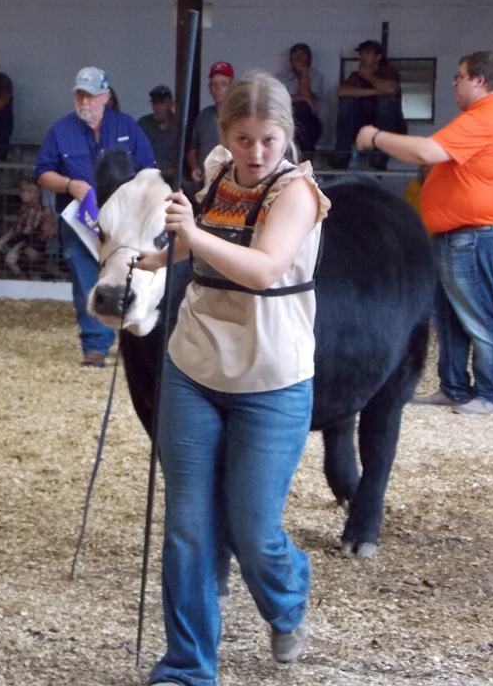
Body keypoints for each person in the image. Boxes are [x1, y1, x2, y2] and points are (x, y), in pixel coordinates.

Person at [135, 70, 330, 684]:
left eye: (269, 139)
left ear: (286, 135)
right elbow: (201, 238)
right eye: (243, 139)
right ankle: (187, 668)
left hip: (271, 380)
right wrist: (161, 256)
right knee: (188, 526)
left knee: (252, 527)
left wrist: (191, 233)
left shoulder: (297, 192)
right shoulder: (220, 171)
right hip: (194, 365)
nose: (256, 152)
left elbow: (266, 267)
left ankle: (287, 597)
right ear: (224, 135)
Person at [356, 50, 493, 415]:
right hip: (461, 234)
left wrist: (376, 136)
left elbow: (427, 151)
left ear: (479, 80)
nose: (454, 82)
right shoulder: (486, 117)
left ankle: (491, 393)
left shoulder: (484, 117)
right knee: (451, 316)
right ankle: (454, 387)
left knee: (479, 315)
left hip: (474, 234)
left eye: (460, 76)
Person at [34, 66, 156, 367]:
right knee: (85, 278)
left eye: (90, 95)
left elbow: (149, 170)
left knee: (130, 275)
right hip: (79, 222)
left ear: (105, 96)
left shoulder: (126, 126)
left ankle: (134, 342)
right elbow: (42, 172)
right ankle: (95, 346)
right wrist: (69, 185)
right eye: (79, 95)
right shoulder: (61, 130)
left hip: (125, 224)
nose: (84, 101)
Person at [331, 39, 404, 170]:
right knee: (347, 102)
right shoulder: (356, 75)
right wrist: (375, 91)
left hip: (389, 125)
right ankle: (341, 155)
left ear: (378, 57)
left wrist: (369, 76)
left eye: (368, 53)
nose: (363, 56)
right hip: (362, 124)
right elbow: (341, 92)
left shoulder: (387, 72)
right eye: (362, 53)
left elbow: (391, 89)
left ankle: (380, 157)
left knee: (384, 101)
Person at [0, 178, 50, 278]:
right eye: (22, 191)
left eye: (29, 192)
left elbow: (27, 230)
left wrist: (11, 243)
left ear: (36, 194)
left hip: (23, 239)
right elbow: (15, 226)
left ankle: (22, 280)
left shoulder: (33, 209)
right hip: (16, 234)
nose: (24, 194)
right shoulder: (25, 206)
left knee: (10, 261)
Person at [186, 61, 234, 184]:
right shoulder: (203, 116)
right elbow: (192, 151)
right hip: (205, 181)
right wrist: (194, 168)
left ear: (232, 87)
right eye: (214, 83)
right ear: (209, 88)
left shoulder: (240, 116)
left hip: (231, 183)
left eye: (224, 84)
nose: (218, 88)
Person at [279, 42, 324, 154]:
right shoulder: (281, 77)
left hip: (309, 119)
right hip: (286, 117)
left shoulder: (316, 76)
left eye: (302, 54)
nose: (298, 57)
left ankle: (306, 158)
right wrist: (304, 98)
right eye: (295, 54)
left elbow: (309, 100)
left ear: (310, 59)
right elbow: (281, 99)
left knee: (303, 110)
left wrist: (304, 73)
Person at [136, 84, 178, 178]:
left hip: (174, 178)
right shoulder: (143, 124)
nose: (157, 107)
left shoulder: (180, 125)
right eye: (154, 103)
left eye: (162, 103)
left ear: (171, 104)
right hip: (148, 176)